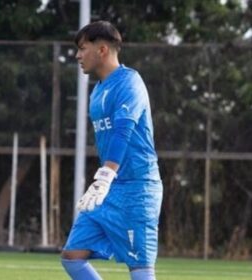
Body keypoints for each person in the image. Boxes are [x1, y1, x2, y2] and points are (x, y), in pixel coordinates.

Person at [61, 21, 163, 280]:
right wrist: (105, 181)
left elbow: (123, 131)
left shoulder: (130, 82)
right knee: (72, 256)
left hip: (136, 188)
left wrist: (105, 175)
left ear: (103, 50)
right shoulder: (97, 92)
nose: (77, 55)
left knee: (140, 270)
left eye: (83, 48)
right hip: (109, 190)